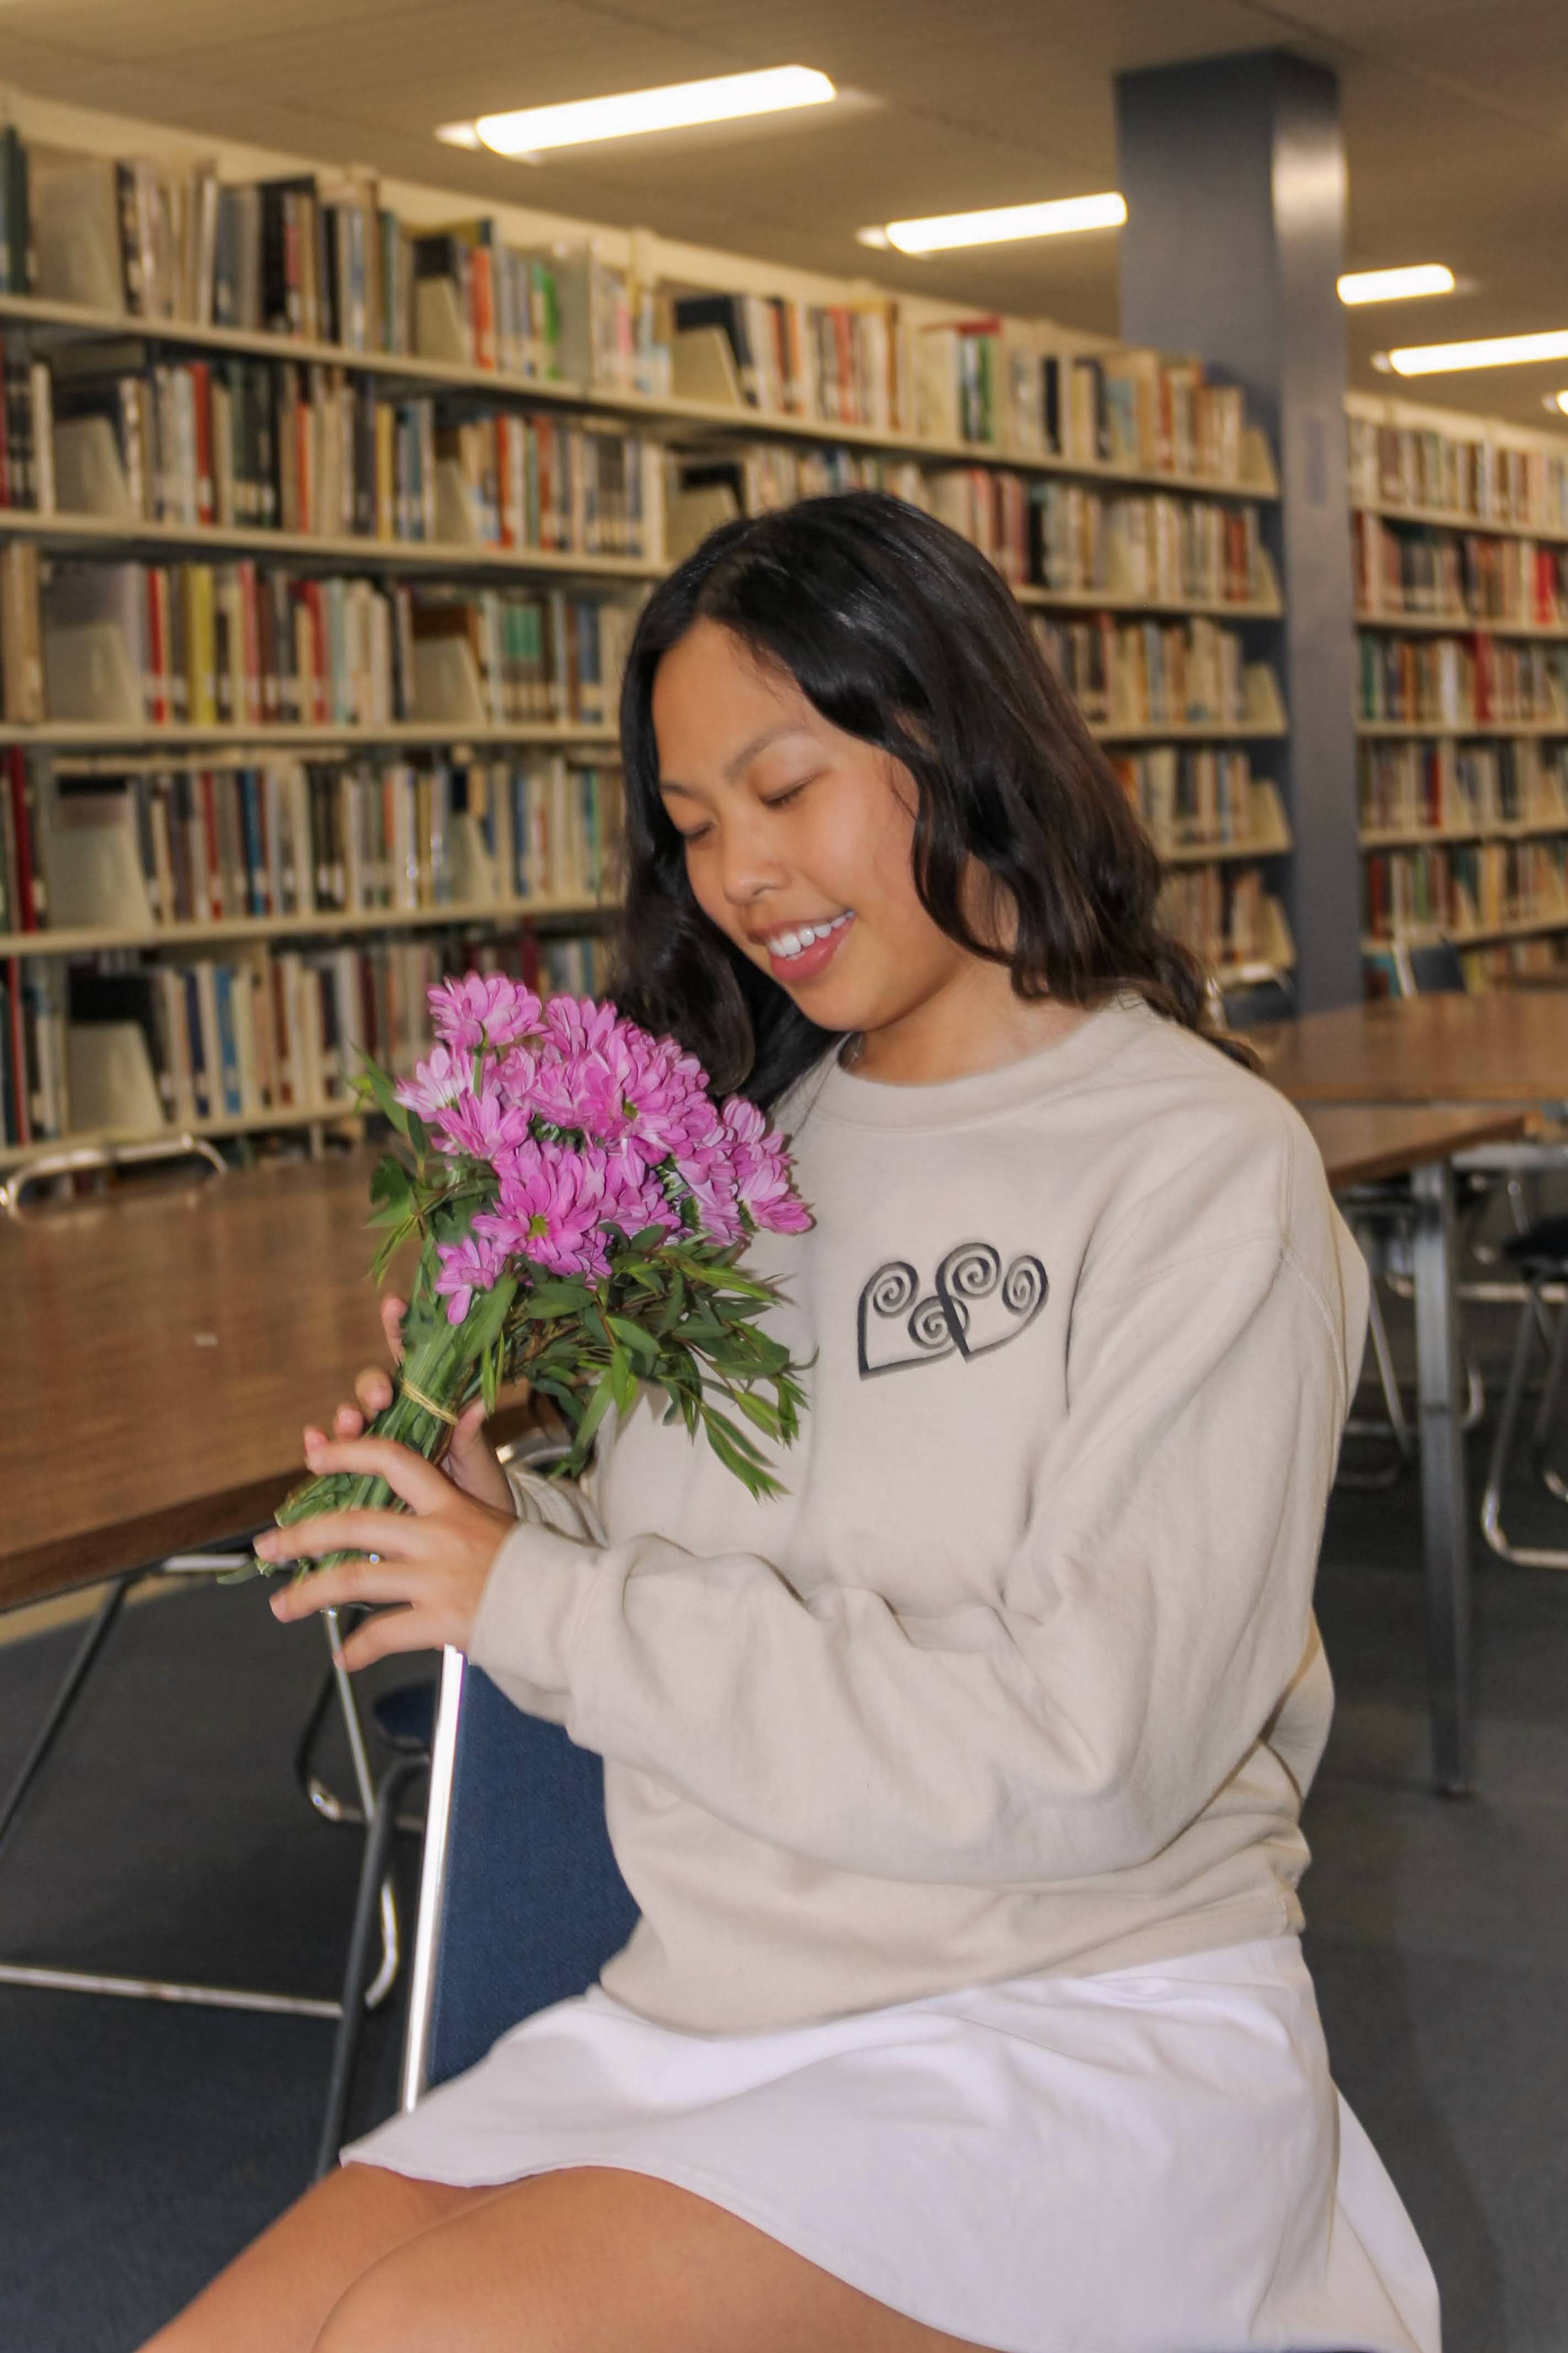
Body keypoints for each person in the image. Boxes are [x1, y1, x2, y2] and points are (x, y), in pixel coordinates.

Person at [143, 493, 1440, 2353]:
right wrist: (503, 1513)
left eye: (784, 785)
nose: (741, 873)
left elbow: (1087, 1752)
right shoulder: (742, 1158)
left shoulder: (1199, 1174)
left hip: (1068, 2022)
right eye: (691, 826)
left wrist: (542, 1597)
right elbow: (703, 1584)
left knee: (437, 2334)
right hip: (710, 2010)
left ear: (951, 736)